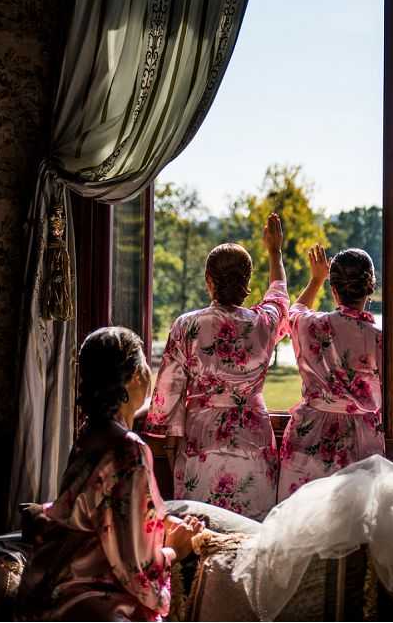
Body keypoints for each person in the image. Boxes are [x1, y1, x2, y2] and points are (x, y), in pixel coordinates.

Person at [17, 327, 203, 622]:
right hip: (88, 601)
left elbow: (99, 512)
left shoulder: (90, 435)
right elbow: (136, 568)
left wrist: (162, 520)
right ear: (133, 378)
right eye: (144, 366)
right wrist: (173, 551)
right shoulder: (128, 450)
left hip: (49, 587)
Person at [144, 213, 288, 520]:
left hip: (203, 438)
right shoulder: (264, 323)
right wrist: (275, 253)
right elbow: (279, 296)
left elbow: (169, 389)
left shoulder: (188, 325)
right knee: (250, 532)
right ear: (247, 283)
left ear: (209, 280)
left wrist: (165, 427)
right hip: (254, 439)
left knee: (203, 528)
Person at [277, 245, 384, 501]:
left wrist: (316, 279)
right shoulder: (378, 339)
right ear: (370, 288)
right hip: (359, 438)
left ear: (333, 289)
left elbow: (294, 311)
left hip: (309, 434)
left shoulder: (311, 325)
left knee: (303, 521)